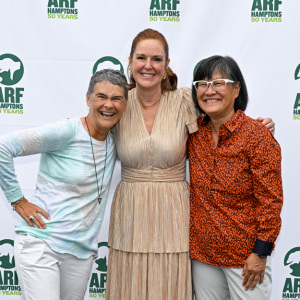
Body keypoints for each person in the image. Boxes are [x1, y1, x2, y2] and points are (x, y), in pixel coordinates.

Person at [105, 29, 275, 300]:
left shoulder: (185, 99)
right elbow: (90, 128)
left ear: (167, 64)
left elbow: (220, 109)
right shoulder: (118, 102)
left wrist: (258, 126)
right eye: (141, 58)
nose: (148, 65)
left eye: (156, 59)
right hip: (131, 211)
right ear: (129, 60)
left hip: (175, 214)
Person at [0, 69, 128, 300]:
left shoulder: (116, 141)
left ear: (125, 105)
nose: (108, 104)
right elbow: (3, 147)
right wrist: (18, 200)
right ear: (88, 99)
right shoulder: (67, 131)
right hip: (42, 244)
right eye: (101, 96)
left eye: (116, 98)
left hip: (81, 252)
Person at [188, 55, 283, 300]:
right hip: (203, 255)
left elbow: (270, 201)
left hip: (245, 257)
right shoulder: (193, 133)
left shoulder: (257, 135)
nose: (210, 91)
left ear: (237, 88)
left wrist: (260, 253)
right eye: (202, 84)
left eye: (219, 83)